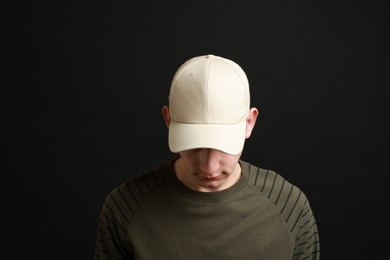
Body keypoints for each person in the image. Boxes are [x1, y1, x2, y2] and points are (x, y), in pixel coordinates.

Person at [94, 54, 320, 260]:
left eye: (223, 146)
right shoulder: (124, 207)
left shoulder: (289, 207)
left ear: (249, 123)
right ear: (168, 120)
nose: (209, 167)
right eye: (194, 145)